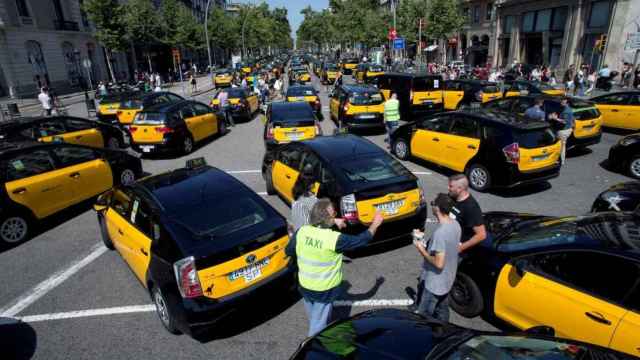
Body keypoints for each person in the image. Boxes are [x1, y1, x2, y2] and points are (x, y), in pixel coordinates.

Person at [285, 199, 384, 336]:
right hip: (323, 290)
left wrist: (334, 221)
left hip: (305, 286)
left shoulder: (302, 232)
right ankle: (311, 348)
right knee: (316, 328)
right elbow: (362, 240)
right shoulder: (335, 239)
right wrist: (375, 224)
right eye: (334, 214)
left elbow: (288, 251)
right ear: (327, 218)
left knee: (314, 319)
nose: (336, 214)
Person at [412, 194, 461, 321]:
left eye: (433, 202)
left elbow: (439, 264)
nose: (431, 204)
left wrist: (421, 249)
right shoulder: (455, 224)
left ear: (438, 208)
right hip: (448, 278)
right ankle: (444, 331)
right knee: (443, 310)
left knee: (424, 315)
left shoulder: (440, 233)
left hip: (435, 283)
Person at [448, 174, 486, 253]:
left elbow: (481, 235)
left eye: (451, 186)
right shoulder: (453, 197)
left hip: (457, 249)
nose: (448, 188)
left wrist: (460, 248)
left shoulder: (471, 207)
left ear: (459, 189)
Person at [290, 165, 320, 233]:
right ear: (310, 184)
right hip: (308, 234)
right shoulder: (311, 199)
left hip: (298, 232)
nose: (315, 185)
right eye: (314, 182)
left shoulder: (296, 195)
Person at [556, 97, 575, 165]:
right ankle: (561, 159)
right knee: (563, 145)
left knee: (561, 146)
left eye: (563, 102)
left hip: (563, 131)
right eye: (561, 101)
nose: (561, 102)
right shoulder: (569, 109)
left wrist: (556, 118)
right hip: (568, 129)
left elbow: (564, 122)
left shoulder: (566, 111)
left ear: (567, 103)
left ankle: (561, 160)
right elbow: (573, 119)